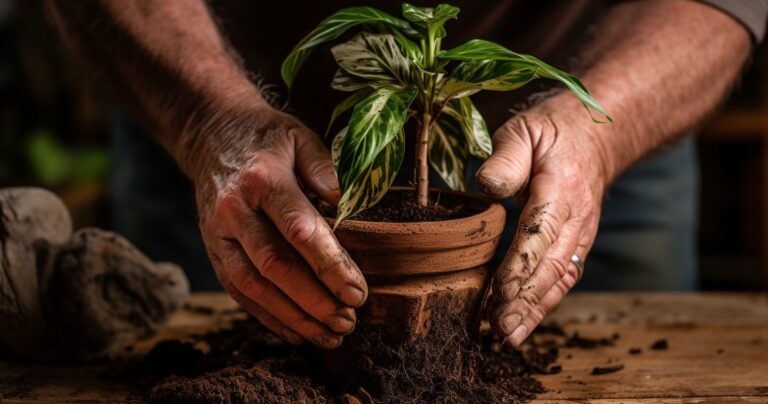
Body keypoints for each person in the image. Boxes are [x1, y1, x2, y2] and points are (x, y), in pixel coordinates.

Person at [45, 0, 766, 349]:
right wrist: (205, 119)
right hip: (204, 104)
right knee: (201, 348)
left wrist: (597, 130)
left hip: (599, 101)